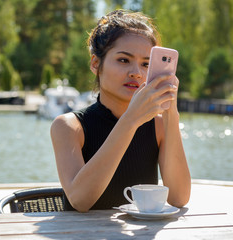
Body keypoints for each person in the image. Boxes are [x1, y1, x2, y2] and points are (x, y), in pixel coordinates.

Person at [50, 9, 191, 212]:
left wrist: (170, 113)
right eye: (124, 60)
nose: (136, 73)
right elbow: (80, 201)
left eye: (146, 64)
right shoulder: (69, 126)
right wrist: (130, 120)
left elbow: (179, 197)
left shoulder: (158, 124)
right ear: (96, 63)